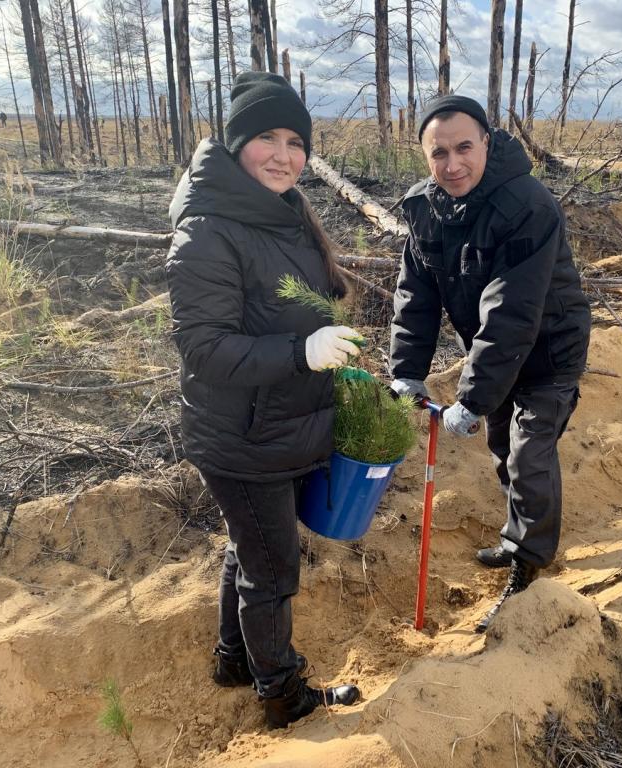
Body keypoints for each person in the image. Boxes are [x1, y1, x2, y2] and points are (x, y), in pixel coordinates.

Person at [166, 72, 362, 729]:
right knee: (272, 573)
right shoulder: (208, 231)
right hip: (243, 437)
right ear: (235, 142)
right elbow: (205, 348)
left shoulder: (282, 211)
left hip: (275, 427)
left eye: (295, 141)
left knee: (245, 548)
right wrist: (301, 354)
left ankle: (233, 659)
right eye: (266, 138)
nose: (283, 154)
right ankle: (283, 696)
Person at [388, 95, 591, 633]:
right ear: (424, 156)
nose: (452, 165)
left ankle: (528, 564)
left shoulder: (527, 205)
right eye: (438, 153)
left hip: (549, 348)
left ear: (487, 142)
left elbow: (512, 313)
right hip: (500, 350)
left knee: (529, 451)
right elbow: (416, 297)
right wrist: (406, 369)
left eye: (464, 148)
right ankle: (517, 535)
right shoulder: (425, 210)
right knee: (502, 446)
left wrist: (472, 399)